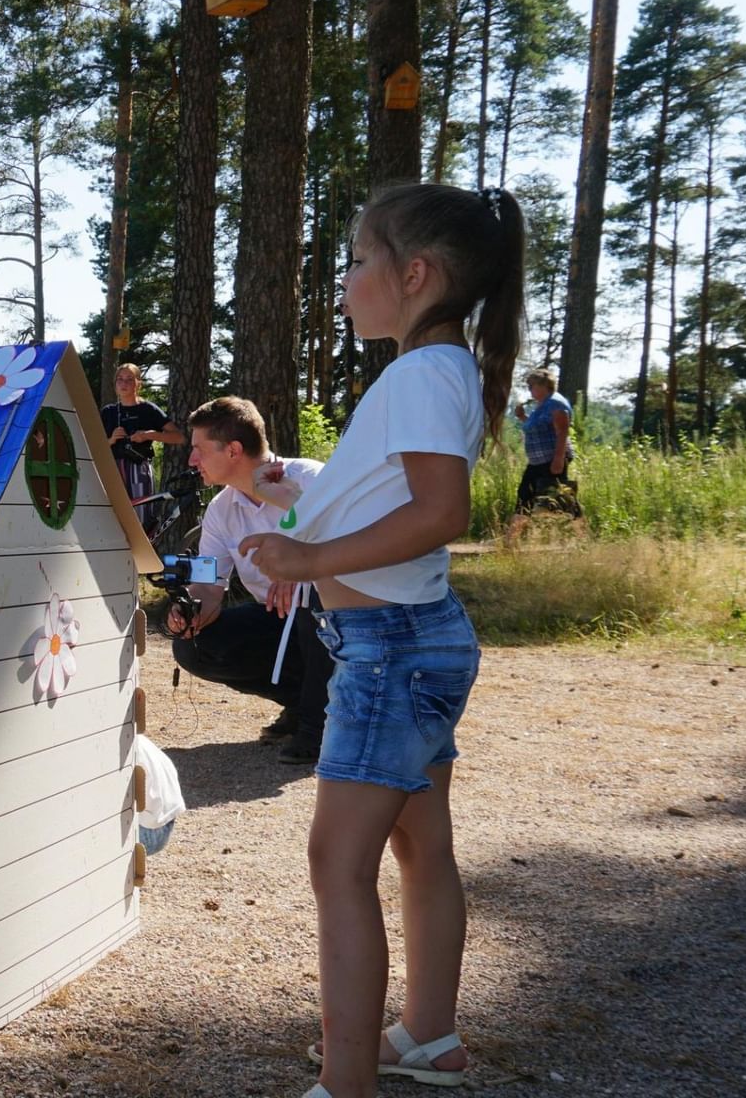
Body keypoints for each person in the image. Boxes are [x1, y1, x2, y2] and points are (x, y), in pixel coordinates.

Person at [238, 183, 520, 1098]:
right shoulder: (437, 373)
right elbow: (387, 499)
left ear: (415, 275)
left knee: (338, 861)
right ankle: (428, 1040)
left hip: (389, 647)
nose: (347, 280)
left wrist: (311, 552)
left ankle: (347, 1081)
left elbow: (441, 511)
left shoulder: (419, 375)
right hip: (413, 637)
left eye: (358, 261)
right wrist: (304, 530)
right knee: (417, 847)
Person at [166, 396, 332, 764]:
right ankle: (302, 703)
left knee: (312, 606)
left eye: (198, 449)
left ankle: (318, 726)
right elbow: (208, 582)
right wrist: (191, 608)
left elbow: (353, 541)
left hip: (339, 623)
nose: (191, 460)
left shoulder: (310, 477)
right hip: (279, 620)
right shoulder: (220, 509)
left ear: (234, 450)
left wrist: (302, 566)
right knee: (193, 646)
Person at [101, 363, 185, 531]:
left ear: (138, 384)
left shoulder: (148, 409)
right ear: (115, 383)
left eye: (129, 379)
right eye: (120, 379)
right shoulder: (108, 412)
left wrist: (149, 435)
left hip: (139, 469)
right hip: (113, 469)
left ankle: (142, 552)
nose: (124, 383)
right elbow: (93, 445)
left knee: (141, 515)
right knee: (113, 515)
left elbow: (179, 437)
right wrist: (111, 440)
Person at [511, 367, 579, 521]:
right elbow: (538, 428)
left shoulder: (555, 403)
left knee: (561, 497)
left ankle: (580, 534)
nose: (529, 390)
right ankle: (511, 540)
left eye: (531, 386)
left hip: (551, 460)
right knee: (526, 494)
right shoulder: (542, 405)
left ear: (543, 385)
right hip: (538, 461)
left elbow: (562, 431)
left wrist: (558, 459)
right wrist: (522, 417)